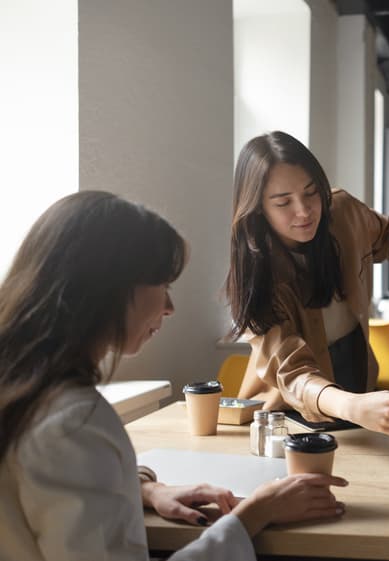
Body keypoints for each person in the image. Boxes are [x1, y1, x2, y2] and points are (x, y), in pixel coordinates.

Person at [0, 191, 347, 561]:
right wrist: (256, 513)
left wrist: (144, 489)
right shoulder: (73, 424)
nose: (169, 307)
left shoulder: (26, 391)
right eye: (164, 285)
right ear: (109, 288)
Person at [227, 131, 389, 438]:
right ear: (258, 209)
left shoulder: (343, 212)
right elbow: (294, 375)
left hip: (358, 382)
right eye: (283, 202)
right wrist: (351, 405)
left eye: (311, 192)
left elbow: (387, 238)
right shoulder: (257, 275)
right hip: (292, 413)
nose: (304, 211)